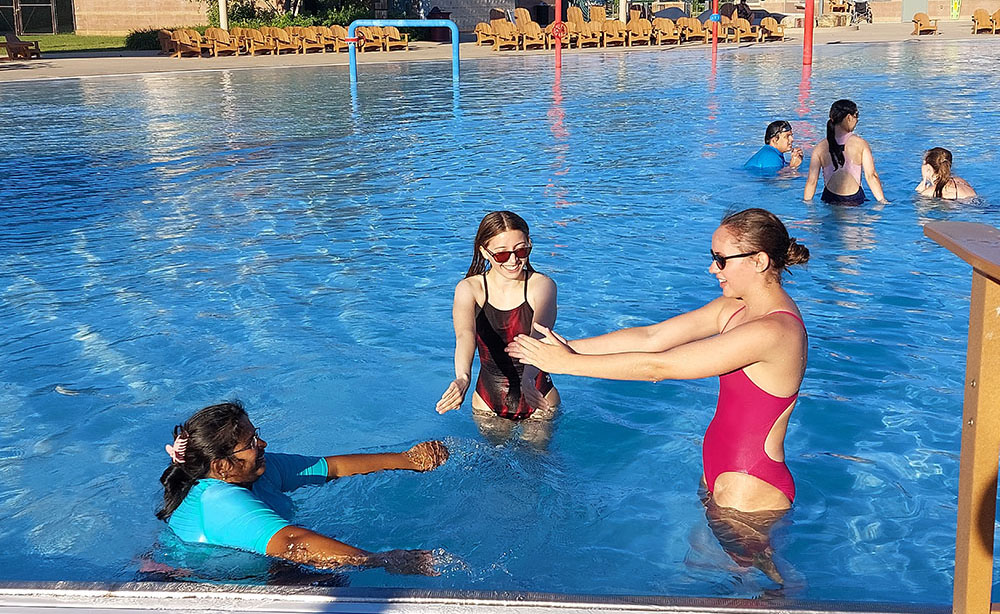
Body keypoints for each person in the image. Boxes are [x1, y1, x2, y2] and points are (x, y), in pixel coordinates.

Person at [507, 208, 809, 513]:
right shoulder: (734, 309)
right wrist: (567, 347)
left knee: (741, 562)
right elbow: (651, 337)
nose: (712, 269)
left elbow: (660, 366)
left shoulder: (773, 331)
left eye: (721, 260)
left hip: (750, 483)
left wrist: (566, 364)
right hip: (725, 472)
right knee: (702, 562)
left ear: (759, 261)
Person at [157, 401, 448, 575]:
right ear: (221, 466)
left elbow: (331, 467)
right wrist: (384, 560)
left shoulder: (260, 470)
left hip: (257, 566)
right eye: (251, 443)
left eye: (256, 435)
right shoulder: (218, 500)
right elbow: (291, 543)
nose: (262, 445)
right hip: (206, 586)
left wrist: (408, 460)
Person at [436, 211, 560, 446]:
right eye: (502, 254)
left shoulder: (542, 285)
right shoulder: (469, 289)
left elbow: (539, 332)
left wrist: (529, 377)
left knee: (536, 471)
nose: (513, 260)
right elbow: (465, 335)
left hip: (538, 397)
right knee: (495, 471)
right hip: (487, 402)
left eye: (521, 251)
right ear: (484, 251)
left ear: (530, 245)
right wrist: (463, 378)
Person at [804, 99, 886, 205]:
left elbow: (812, 181)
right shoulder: (860, 144)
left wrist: (807, 205)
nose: (857, 120)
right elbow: (871, 176)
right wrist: (882, 201)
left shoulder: (820, 147)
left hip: (829, 198)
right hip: (855, 199)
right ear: (848, 117)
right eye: (857, 116)